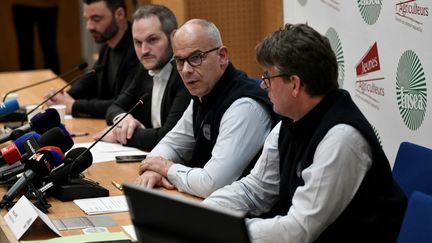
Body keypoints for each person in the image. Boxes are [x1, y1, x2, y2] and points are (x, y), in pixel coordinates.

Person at [203, 23, 407, 242]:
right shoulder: (290, 120)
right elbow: (257, 189)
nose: (263, 86)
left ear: (295, 84)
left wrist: (228, 229)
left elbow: (298, 231)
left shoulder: (342, 139)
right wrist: (207, 213)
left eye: (267, 77)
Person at [135, 19, 274, 198]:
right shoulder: (203, 96)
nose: (185, 70)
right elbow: (172, 144)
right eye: (179, 61)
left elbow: (211, 184)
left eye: (195, 58)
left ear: (222, 56)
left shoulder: (245, 106)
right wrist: (153, 170)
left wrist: (166, 168)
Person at [94, 4, 190, 151]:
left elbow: (168, 136)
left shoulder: (185, 74)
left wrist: (119, 134)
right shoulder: (145, 70)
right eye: (138, 43)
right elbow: (115, 107)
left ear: (173, 37)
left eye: (152, 40)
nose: (144, 51)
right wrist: (123, 119)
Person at [45, 0, 140, 118]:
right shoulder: (108, 44)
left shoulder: (138, 50)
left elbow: (125, 104)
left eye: (96, 19)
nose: (89, 26)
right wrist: (64, 97)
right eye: (87, 19)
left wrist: (74, 105)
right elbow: (91, 80)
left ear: (119, 15)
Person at [12, 0, 60, 74]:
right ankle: (28, 82)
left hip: (48, 6)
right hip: (22, 5)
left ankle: (55, 82)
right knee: (25, 48)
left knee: (49, 47)